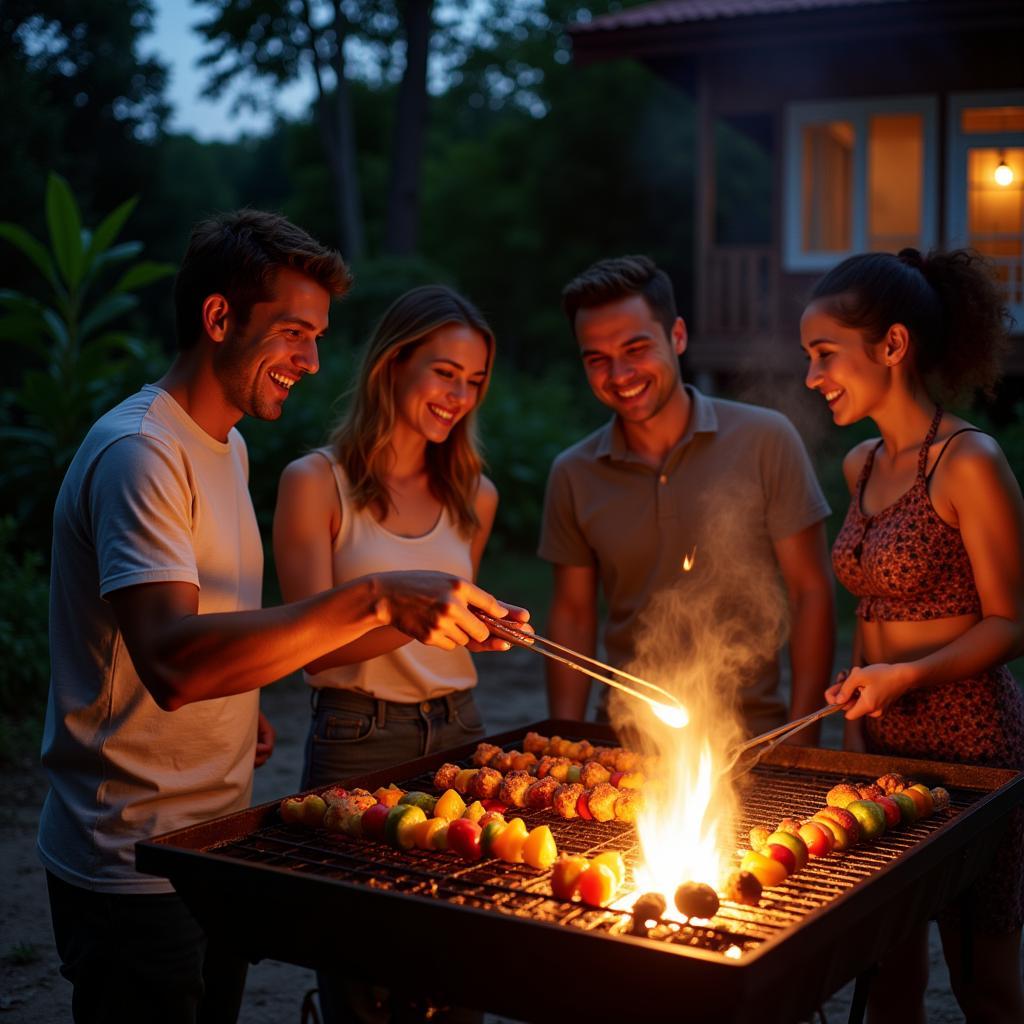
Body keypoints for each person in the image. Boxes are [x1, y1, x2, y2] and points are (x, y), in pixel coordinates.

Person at [39, 211, 517, 1024]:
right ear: (219, 318)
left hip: (215, 842)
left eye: (320, 335)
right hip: (131, 857)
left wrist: (246, 701)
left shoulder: (224, 446)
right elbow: (175, 663)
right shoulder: (140, 452)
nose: (312, 360)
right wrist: (378, 599)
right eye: (294, 332)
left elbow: (214, 626)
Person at [273, 284, 516, 1023]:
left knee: (461, 951)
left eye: (474, 382)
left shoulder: (474, 493)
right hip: (355, 735)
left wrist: (481, 625)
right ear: (392, 366)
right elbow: (309, 653)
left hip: (458, 732)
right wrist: (421, 617)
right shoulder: (315, 483)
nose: (460, 397)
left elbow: (446, 626)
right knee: (359, 953)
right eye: (445, 372)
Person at [804, 247, 1024, 1023]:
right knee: (886, 961)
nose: (812, 375)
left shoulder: (968, 462)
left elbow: (1012, 622)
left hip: (970, 745)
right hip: (881, 741)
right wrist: (859, 685)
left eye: (825, 354)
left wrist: (910, 676)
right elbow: (868, 609)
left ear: (891, 346)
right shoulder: (861, 464)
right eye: (808, 357)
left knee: (981, 976)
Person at [539, 254, 835, 738]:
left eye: (636, 348)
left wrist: (800, 738)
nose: (619, 374)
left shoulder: (766, 439)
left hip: (752, 736)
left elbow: (811, 593)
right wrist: (567, 741)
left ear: (677, 336)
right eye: (597, 359)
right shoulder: (573, 472)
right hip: (622, 742)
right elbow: (572, 617)